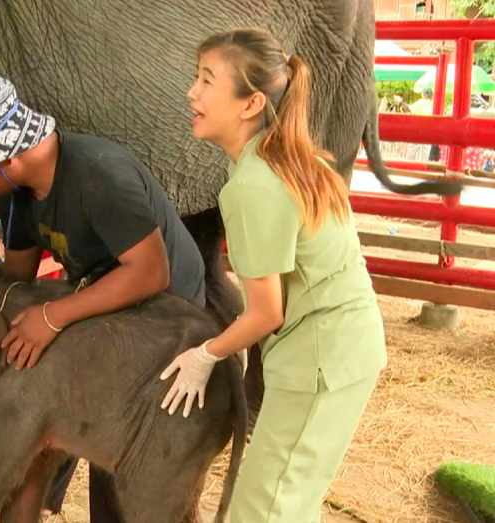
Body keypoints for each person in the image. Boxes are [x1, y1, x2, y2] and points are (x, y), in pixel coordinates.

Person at [0, 75, 207, 521]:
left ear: (5, 156)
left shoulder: (98, 174)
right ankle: (42, 502)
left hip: (162, 314)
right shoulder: (22, 193)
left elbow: (150, 272)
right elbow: (17, 276)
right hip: (102, 299)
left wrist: (53, 315)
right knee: (43, 393)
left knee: (118, 447)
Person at [161, 28, 387, 522]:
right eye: (195, 78)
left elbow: (266, 312)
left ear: (251, 103)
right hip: (340, 350)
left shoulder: (255, 184)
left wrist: (205, 354)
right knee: (287, 498)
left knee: (265, 509)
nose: (191, 92)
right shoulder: (290, 159)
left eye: (207, 80)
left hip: (320, 357)